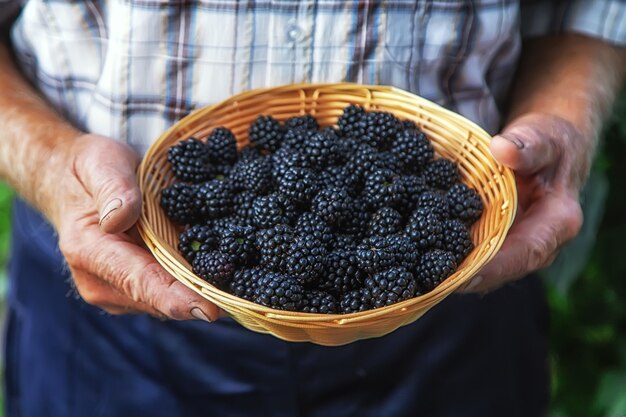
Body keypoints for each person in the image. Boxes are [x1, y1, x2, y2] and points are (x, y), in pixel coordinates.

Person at [0, 1, 624, 416]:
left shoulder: (379, 212)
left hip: (458, 296)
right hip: (113, 304)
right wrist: (50, 164)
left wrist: (568, 115)